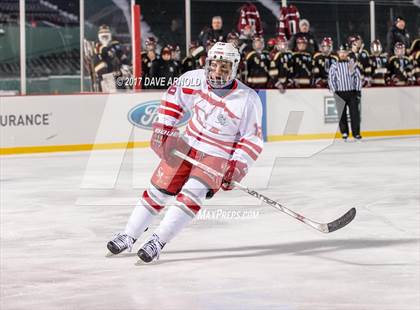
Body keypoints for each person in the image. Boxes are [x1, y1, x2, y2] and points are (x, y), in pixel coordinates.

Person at [107, 42, 263, 263]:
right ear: (207, 63)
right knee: (157, 190)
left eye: (224, 67)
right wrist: (163, 127)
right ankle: (129, 234)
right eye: (214, 65)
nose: (217, 71)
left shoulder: (248, 99)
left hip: (216, 154)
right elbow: (173, 100)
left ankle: (157, 241)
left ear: (235, 68)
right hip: (186, 144)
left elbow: (252, 139)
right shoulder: (193, 78)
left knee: (189, 196)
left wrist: (237, 167)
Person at [328, 43, 362, 142]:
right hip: (340, 93)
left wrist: (358, 90)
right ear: (338, 53)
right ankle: (344, 132)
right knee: (341, 114)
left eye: (344, 52)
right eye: (341, 52)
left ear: (347, 53)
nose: (342, 54)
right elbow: (331, 79)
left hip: (351, 93)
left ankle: (356, 133)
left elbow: (357, 77)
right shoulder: (335, 66)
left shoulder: (351, 64)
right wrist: (334, 91)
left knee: (354, 114)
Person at [93, 25, 130, 91]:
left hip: (117, 73)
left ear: (109, 35)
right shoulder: (97, 45)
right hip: (104, 76)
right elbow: (103, 51)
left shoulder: (115, 44)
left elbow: (121, 55)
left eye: (106, 35)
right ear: (99, 36)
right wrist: (108, 50)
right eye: (103, 36)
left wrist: (126, 65)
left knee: (123, 88)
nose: (104, 38)